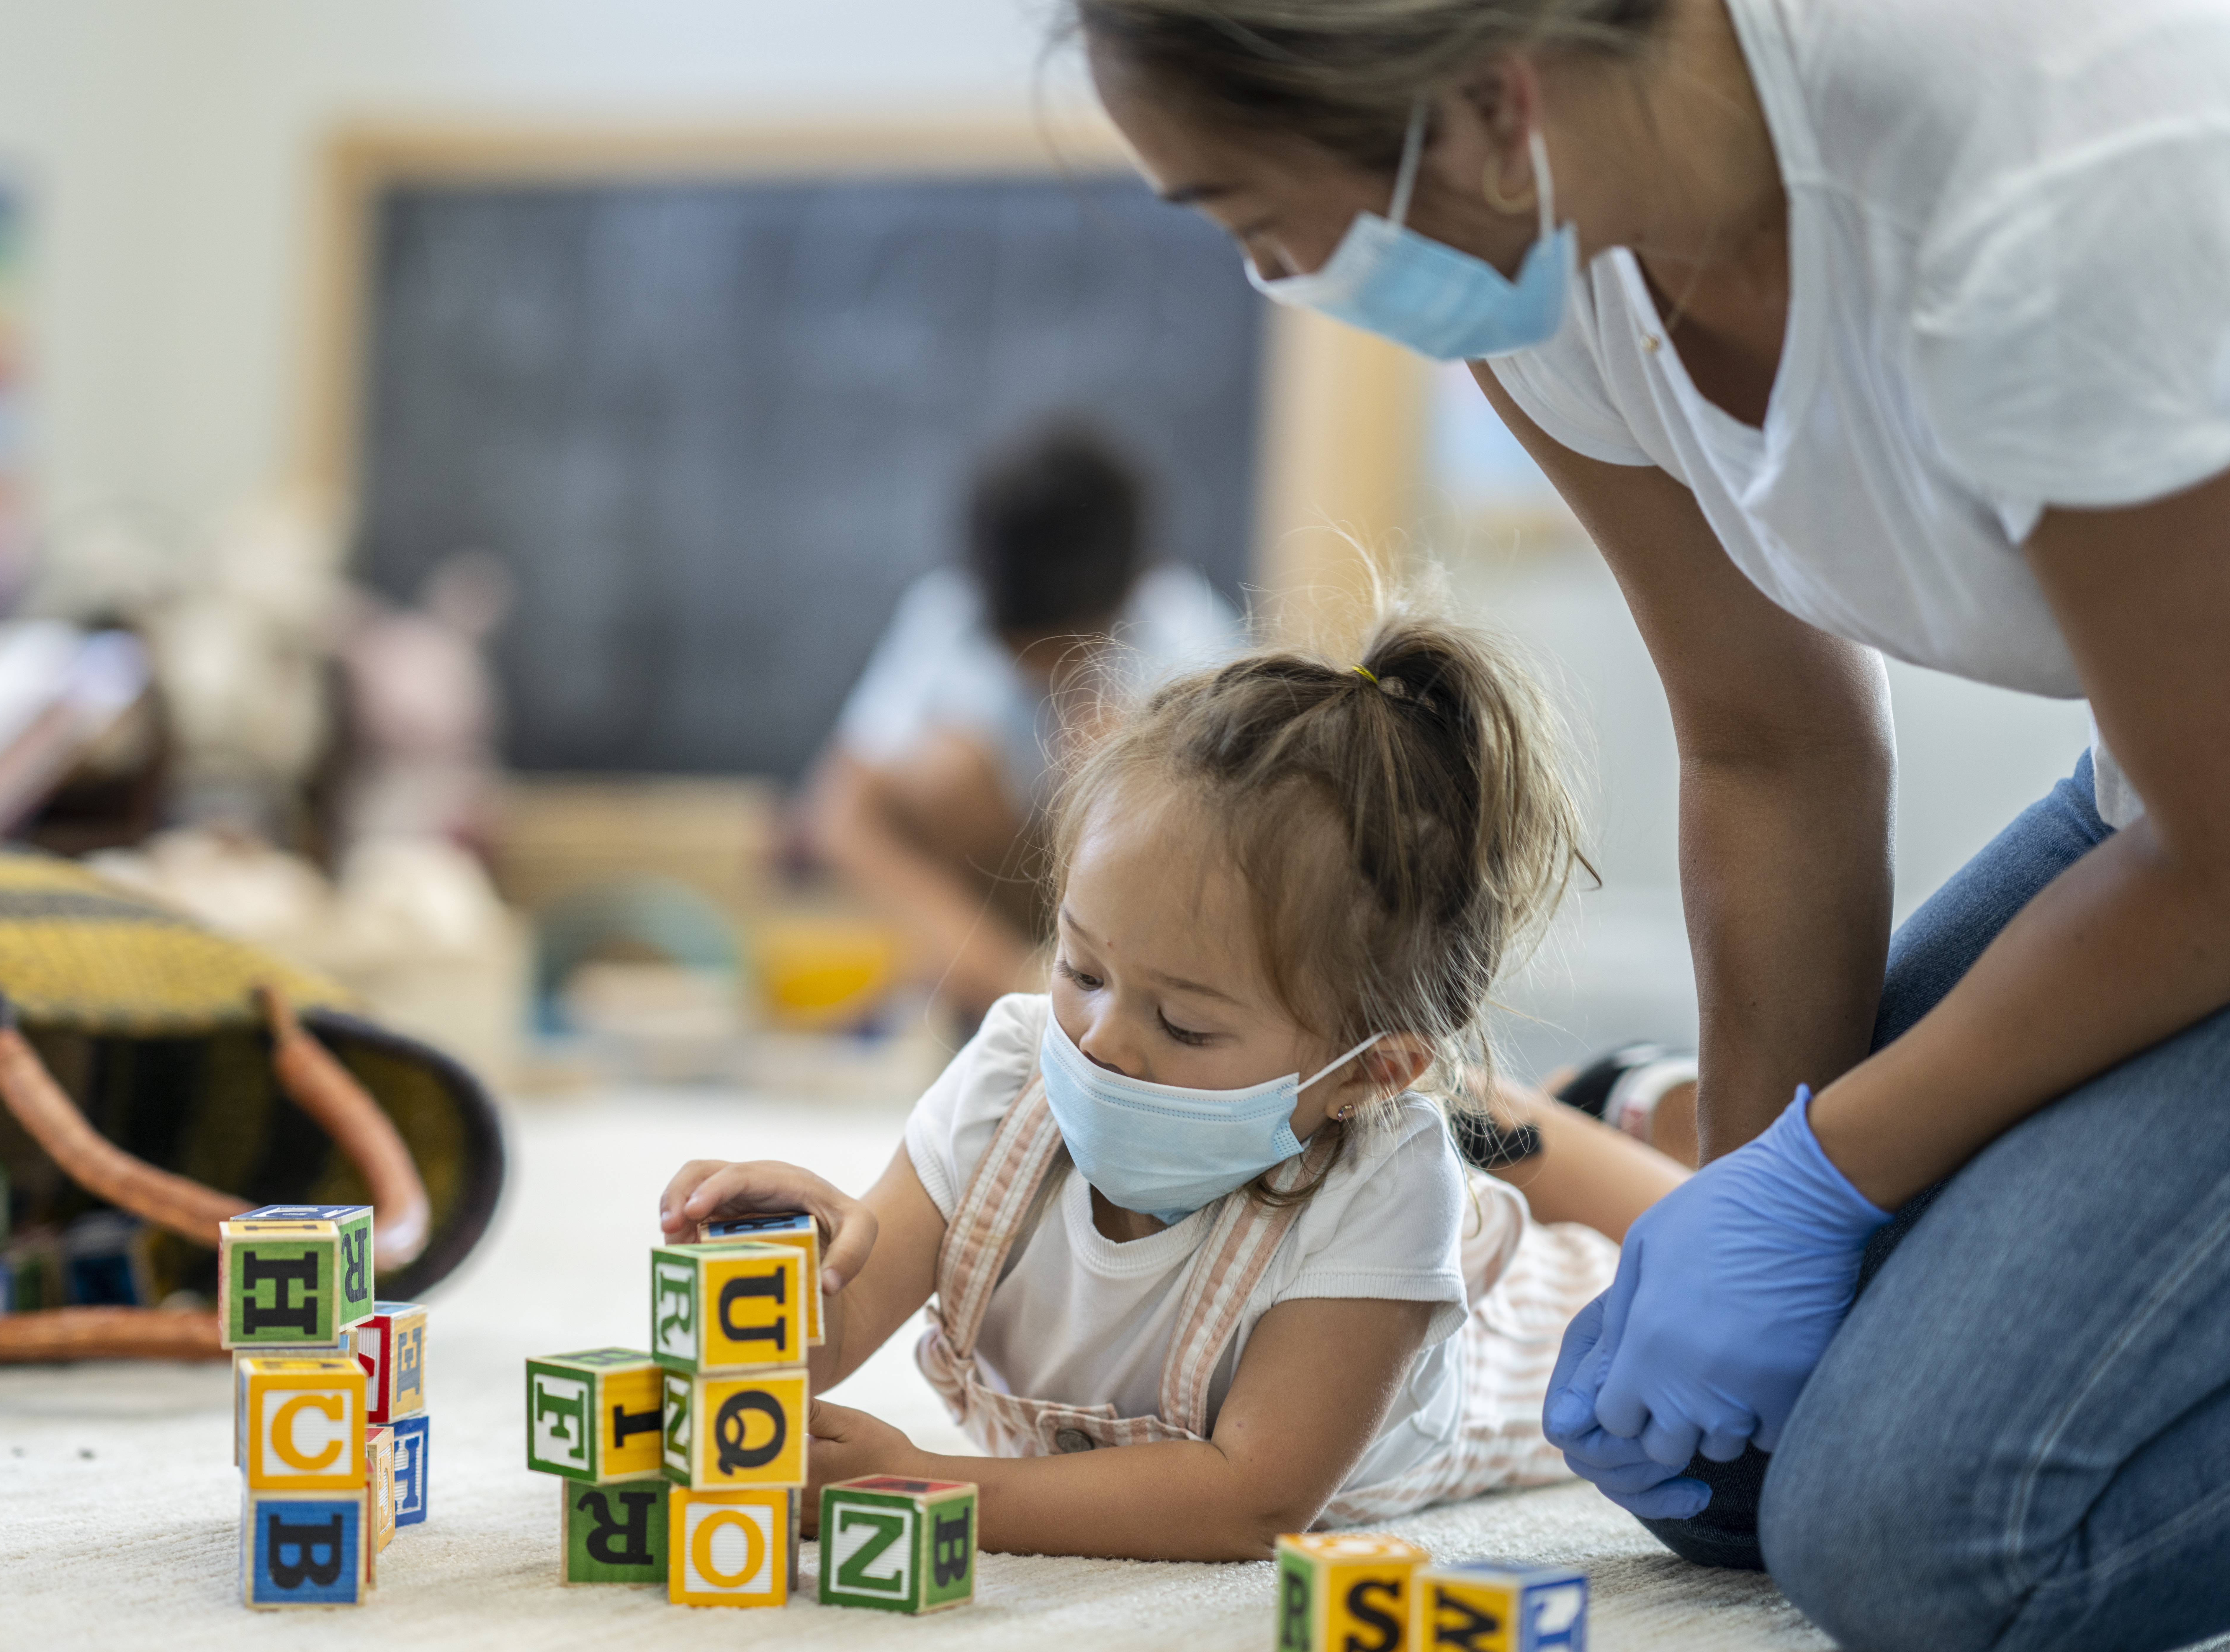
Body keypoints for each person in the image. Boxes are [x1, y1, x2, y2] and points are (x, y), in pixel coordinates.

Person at [1073, 0, 2230, 1646]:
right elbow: (1776, 747)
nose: (1279, 279)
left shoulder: (2041, 181)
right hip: (2180, 795)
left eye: (1260, 221)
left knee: (1922, 1542)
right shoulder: (1536, 250)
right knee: (1723, 1481)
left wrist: (1819, 1182)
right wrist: (1743, 1194)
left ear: (1481, 101)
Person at [665, 610, 1686, 1558]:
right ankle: (1563, 1107)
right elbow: (814, 1350)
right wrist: (782, 1271)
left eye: (1184, 1022)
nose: (1101, 1041)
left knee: (1695, 1252)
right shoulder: (1016, 1073)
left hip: (1536, 1308)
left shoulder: (1385, 1179)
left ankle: (1617, 1107)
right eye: (1081, 970)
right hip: (1377, 1108)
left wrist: (931, 1483)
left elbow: (1250, 1498)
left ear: (1367, 1070)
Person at [807, 422, 1242, 1024]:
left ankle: (1103, 987)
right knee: (948, 771)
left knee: (1125, 753)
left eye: (1064, 653)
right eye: (1022, 655)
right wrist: (979, 955)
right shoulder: (950, 616)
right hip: (1003, 929)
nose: (1042, 677)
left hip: (1132, 919)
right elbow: (840, 813)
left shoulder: (1187, 635)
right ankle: (1029, 986)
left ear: (1132, 590)